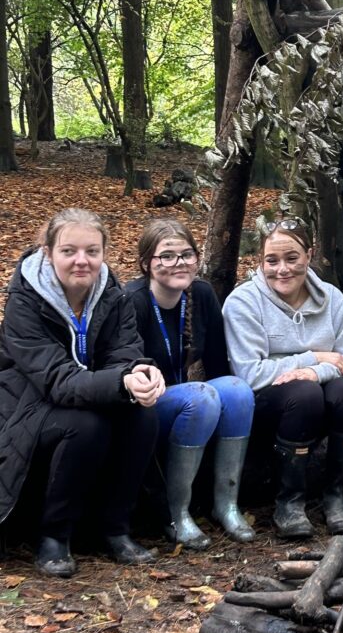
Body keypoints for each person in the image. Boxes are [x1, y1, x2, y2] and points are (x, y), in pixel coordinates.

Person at [0, 208, 163, 577]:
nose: (81, 261)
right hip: (27, 406)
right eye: (68, 251)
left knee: (142, 415)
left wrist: (137, 372)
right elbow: (55, 379)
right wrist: (120, 382)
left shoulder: (112, 294)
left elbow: (124, 350)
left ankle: (116, 528)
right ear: (48, 253)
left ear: (104, 252)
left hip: (85, 395)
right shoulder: (24, 301)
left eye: (92, 251)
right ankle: (54, 536)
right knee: (86, 425)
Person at [222, 217, 343, 539]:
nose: (282, 269)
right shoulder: (243, 302)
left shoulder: (333, 300)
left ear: (309, 255)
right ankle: (289, 502)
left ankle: (337, 496)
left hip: (321, 402)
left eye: (292, 258)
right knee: (304, 393)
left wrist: (314, 372)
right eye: (271, 261)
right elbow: (250, 374)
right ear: (260, 261)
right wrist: (313, 358)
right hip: (268, 408)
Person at [125, 218, 256, 548]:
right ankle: (176, 513)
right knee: (201, 396)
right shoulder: (133, 300)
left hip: (188, 400)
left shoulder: (201, 293)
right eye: (167, 256)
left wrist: (221, 410)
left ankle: (226, 505)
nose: (178, 263)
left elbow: (218, 364)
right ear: (147, 263)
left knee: (237, 390)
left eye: (186, 254)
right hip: (143, 407)